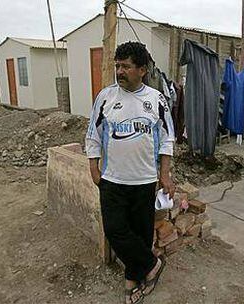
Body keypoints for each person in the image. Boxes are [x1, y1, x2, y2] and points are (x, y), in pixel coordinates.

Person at [85, 41, 175, 304]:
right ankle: (152, 265)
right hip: (112, 179)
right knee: (115, 230)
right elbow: (93, 134)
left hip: (144, 180)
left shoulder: (156, 100)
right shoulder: (106, 97)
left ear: (142, 70)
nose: (119, 71)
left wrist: (165, 175)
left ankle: (131, 278)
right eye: (117, 66)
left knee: (141, 234)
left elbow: (167, 139)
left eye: (126, 66)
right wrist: (93, 166)